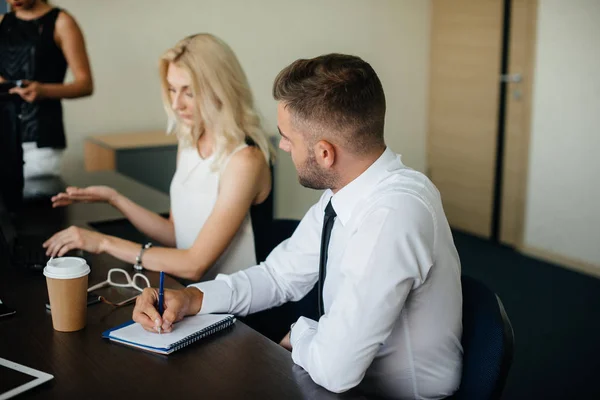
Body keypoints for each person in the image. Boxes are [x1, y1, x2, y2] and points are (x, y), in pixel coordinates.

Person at [132, 53, 463, 399]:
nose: (282, 146)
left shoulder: (395, 214)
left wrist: (303, 331)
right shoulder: (347, 193)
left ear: (324, 153)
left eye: (287, 137)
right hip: (347, 382)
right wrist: (192, 298)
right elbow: (278, 275)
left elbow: (336, 371)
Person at [43, 33, 274, 281]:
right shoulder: (188, 142)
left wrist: (103, 242)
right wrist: (115, 199)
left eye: (189, 92)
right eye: (172, 89)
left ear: (221, 89)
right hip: (191, 294)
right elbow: (176, 234)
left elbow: (195, 263)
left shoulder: (245, 160)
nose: (176, 104)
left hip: (233, 307)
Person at [0, 0, 93, 182]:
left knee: (36, 207)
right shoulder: (3, 22)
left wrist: (43, 90)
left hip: (41, 137)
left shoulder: (62, 22)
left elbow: (85, 84)